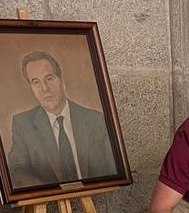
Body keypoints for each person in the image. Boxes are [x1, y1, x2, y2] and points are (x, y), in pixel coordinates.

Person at [7, 51, 118, 188]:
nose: (44, 88)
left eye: (49, 78)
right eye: (36, 82)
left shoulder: (96, 120)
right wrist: (50, 192)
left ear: (62, 81)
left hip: (96, 198)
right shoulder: (23, 124)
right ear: (32, 90)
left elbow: (113, 170)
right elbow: (16, 170)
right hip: (49, 202)